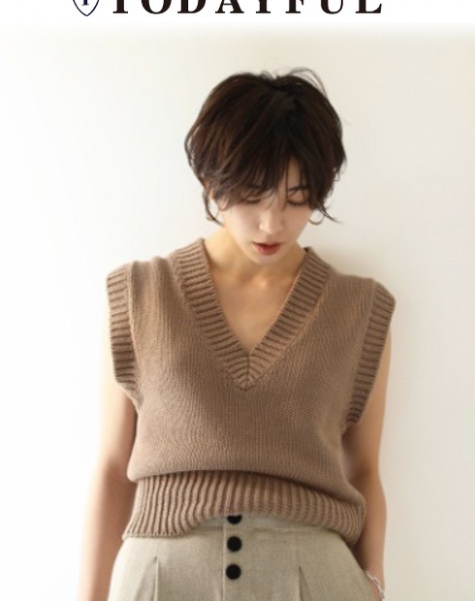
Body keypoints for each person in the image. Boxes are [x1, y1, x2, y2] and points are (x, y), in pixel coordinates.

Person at [77, 69, 395, 601]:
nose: (272, 223)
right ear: (211, 182)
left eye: (297, 198)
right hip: (162, 574)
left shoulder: (359, 310)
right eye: (252, 195)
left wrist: (375, 582)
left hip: (316, 574)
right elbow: (112, 468)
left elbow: (364, 469)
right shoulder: (141, 294)